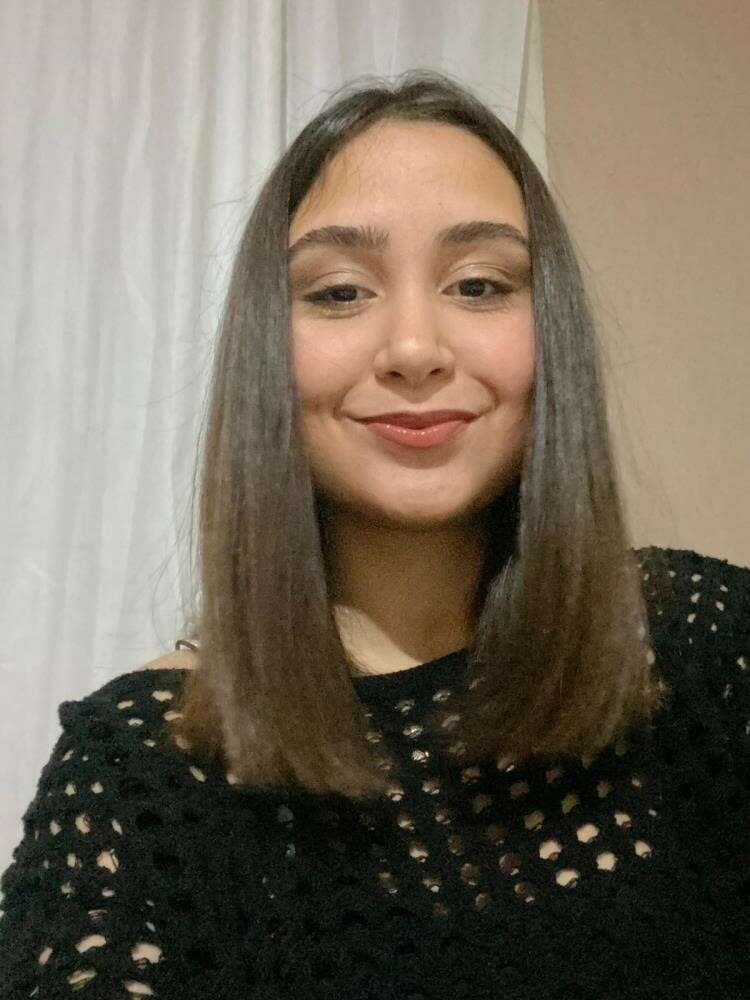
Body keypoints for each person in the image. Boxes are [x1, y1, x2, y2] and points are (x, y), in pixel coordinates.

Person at [1, 69, 748, 999]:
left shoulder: (706, 644)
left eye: (479, 283)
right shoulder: (142, 776)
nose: (414, 349)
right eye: (341, 292)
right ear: (267, 349)